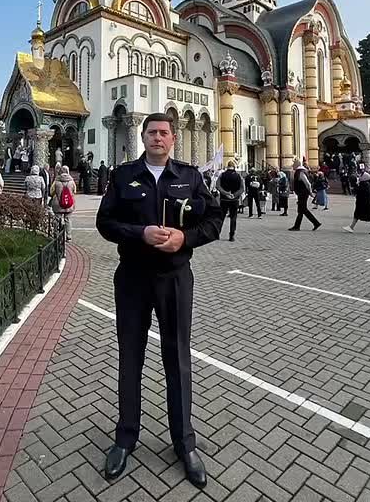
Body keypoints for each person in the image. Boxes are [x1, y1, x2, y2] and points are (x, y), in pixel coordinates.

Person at [96, 113, 223, 488]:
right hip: (133, 278)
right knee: (130, 357)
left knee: (178, 359)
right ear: (143, 137)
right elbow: (105, 222)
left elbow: (213, 219)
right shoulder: (123, 176)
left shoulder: (190, 177)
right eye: (152, 132)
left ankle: (184, 443)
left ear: (173, 138)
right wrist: (140, 233)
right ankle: (125, 438)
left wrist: (185, 239)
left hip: (174, 279)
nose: (158, 138)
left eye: (164, 133)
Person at [217, 160, 244, 242]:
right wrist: (234, 195)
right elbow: (242, 188)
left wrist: (225, 193)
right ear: (234, 166)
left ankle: (217, 233)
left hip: (224, 199)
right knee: (233, 217)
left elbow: (218, 186)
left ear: (227, 166)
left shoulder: (222, 175)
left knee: (221, 217)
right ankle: (232, 235)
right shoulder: (238, 176)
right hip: (234, 199)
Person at [289, 163, 321, 232]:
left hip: (303, 193)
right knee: (301, 210)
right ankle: (297, 226)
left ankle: (315, 223)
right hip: (302, 193)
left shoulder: (300, 172)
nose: (292, 166)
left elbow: (307, 183)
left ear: (296, 165)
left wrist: (310, 192)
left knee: (303, 209)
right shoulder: (301, 171)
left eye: (293, 165)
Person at [50, 165, 77, 240]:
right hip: (69, 204)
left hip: (58, 204)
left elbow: (51, 192)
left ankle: (56, 234)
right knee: (68, 219)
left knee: (57, 219)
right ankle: (68, 236)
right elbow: (74, 191)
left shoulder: (56, 181)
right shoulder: (72, 181)